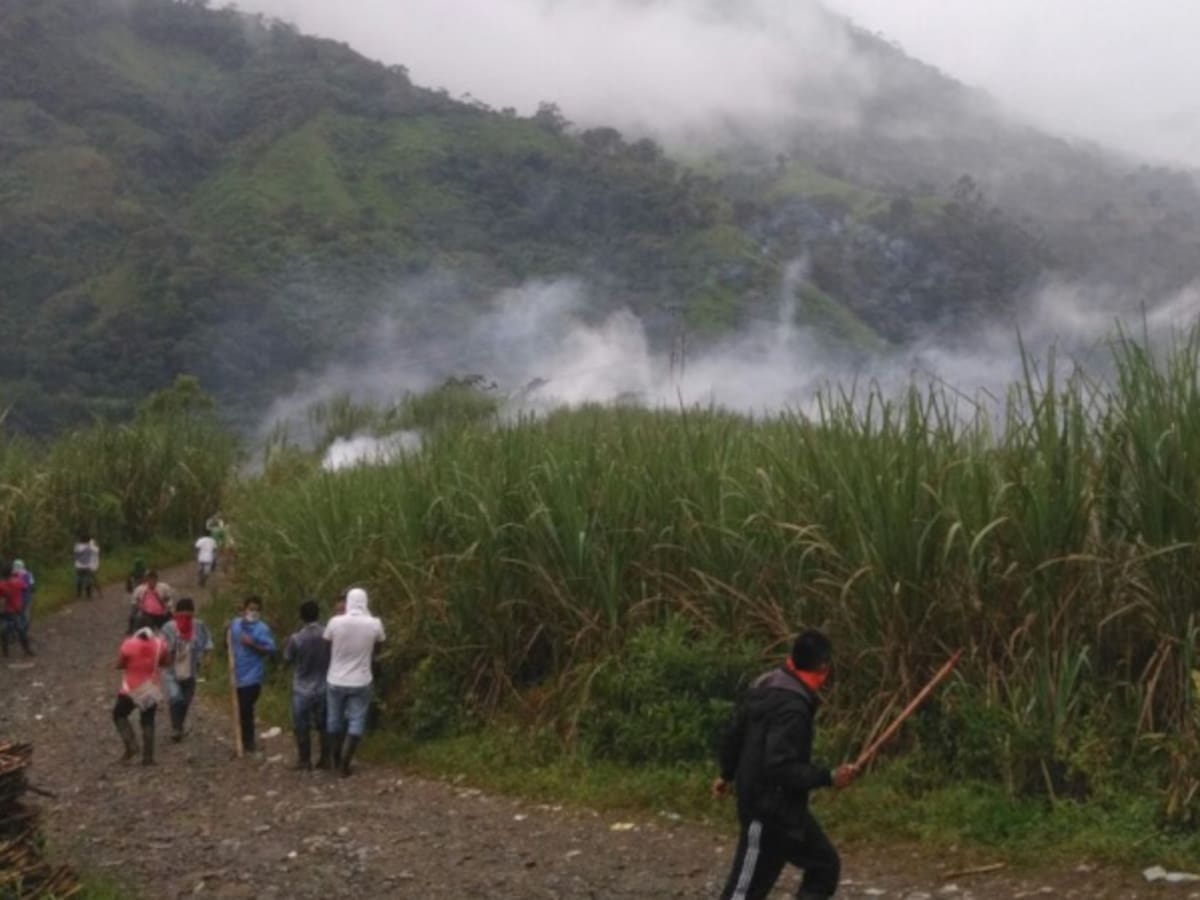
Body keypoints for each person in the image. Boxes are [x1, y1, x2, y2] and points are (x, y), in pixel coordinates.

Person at [713, 630, 858, 900]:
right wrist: (829, 776)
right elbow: (779, 766)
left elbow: (735, 733)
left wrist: (726, 773)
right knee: (742, 893)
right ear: (824, 668)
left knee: (824, 865)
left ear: (792, 660)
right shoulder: (793, 709)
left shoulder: (764, 683)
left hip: (784, 811)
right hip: (766, 810)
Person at [324, 587, 384, 777]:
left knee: (334, 719)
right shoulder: (375, 624)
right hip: (361, 680)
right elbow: (378, 647)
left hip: (335, 679)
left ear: (348, 601)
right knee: (356, 721)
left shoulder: (334, 622)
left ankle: (335, 758)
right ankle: (345, 764)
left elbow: (327, 644)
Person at [284, 600, 333, 770]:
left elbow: (288, 659)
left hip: (302, 687)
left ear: (301, 616)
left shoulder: (296, 639)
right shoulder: (327, 635)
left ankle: (304, 760)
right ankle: (325, 758)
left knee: (301, 725)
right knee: (323, 725)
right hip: (323, 684)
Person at [114, 618, 171, 765]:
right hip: (151, 687)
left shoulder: (129, 644)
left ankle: (131, 745)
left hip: (130, 689)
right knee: (148, 721)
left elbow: (119, 664)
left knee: (119, 714)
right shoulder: (160, 644)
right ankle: (148, 757)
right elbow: (166, 662)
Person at [160, 597, 213, 742]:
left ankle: (179, 725)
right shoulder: (168, 628)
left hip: (192, 669)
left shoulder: (199, 626)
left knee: (186, 701)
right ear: (175, 615)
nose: (185, 620)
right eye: (181, 616)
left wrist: (208, 661)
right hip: (172, 670)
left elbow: (208, 643)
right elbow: (161, 648)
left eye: (188, 616)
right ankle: (176, 729)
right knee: (175, 697)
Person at [230, 596, 276, 755]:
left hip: (253, 676)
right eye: (250, 609)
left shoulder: (262, 629)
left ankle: (247, 742)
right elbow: (228, 638)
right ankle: (242, 741)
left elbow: (270, 650)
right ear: (244, 609)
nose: (253, 612)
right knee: (240, 710)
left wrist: (252, 644)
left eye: (256, 609)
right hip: (237, 675)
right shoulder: (236, 624)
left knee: (246, 708)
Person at [0, 561, 33, 657]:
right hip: (16, 609)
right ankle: (27, 650)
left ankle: (5, 652)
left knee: (4, 631)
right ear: (11, 572)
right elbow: (25, 589)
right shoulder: (18, 582)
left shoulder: (1, 584)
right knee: (21, 630)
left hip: (4, 611)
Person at [12, 560, 35, 637]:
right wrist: (32, 594)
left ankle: (16, 632)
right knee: (25, 614)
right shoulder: (28, 573)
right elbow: (32, 586)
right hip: (26, 597)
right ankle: (23, 631)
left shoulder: (12, 574)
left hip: (15, 599)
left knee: (16, 615)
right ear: (23, 565)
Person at [73, 532, 99, 599]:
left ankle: (79, 594)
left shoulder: (77, 546)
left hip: (78, 566)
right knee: (88, 580)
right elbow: (96, 550)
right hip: (87, 566)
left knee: (79, 579)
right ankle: (88, 595)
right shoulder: (90, 547)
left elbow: (75, 555)